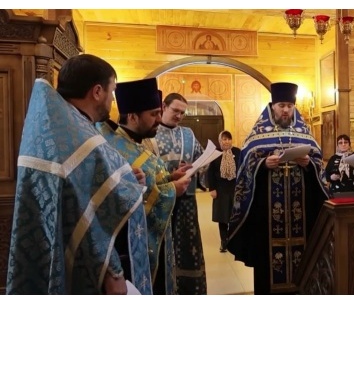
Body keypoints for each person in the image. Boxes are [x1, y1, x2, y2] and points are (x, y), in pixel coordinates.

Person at [7, 54, 152, 295]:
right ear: (97, 92)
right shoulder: (80, 138)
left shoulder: (57, 126)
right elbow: (87, 214)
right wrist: (113, 270)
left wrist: (125, 181)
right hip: (87, 271)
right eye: (112, 91)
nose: (112, 100)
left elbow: (83, 192)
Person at [227, 82, 329, 294]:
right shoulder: (257, 134)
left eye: (290, 106)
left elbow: (319, 165)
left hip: (300, 214)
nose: (285, 110)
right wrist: (263, 165)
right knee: (267, 264)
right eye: (281, 105)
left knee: (303, 259)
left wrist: (308, 164)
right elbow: (245, 168)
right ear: (272, 106)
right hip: (267, 215)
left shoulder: (304, 133)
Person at [98, 78, 191, 295]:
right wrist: (172, 189)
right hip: (130, 249)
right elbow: (128, 197)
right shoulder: (115, 148)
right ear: (132, 116)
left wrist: (170, 177)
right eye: (153, 114)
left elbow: (149, 180)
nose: (159, 119)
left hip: (154, 241)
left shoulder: (135, 142)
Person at [152, 93, 208, 295]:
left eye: (183, 113)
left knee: (187, 245)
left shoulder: (188, 133)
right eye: (175, 110)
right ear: (164, 106)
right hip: (161, 199)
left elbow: (202, 160)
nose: (179, 116)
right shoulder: (150, 132)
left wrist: (196, 167)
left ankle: (188, 289)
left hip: (186, 201)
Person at [207, 130, 240, 253]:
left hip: (235, 189)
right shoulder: (216, 154)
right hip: (221, 190)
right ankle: (224, 242)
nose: (226, 142)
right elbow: (210, 173)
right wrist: (212, 189)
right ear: (220, 141)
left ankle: (234, 240)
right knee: (222, 217)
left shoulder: (238, 152)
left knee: (235, 216)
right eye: (224, 139)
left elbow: (243, 169)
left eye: (228, 139)